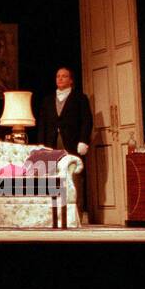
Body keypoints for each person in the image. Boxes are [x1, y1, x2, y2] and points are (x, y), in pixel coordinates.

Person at [35, 66, 93, 217]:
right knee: (52, 177)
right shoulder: (48, 100)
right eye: (58, 76)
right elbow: (42, 123)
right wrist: (41, 143)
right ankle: (54, 215)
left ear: (71, 80)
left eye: (64, 76)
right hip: (51, 143)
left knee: (74, 177)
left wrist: (84, 141)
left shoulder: (80, 98)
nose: (60, 79)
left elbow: (87, 121)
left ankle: (76, 215)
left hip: (72, 143)